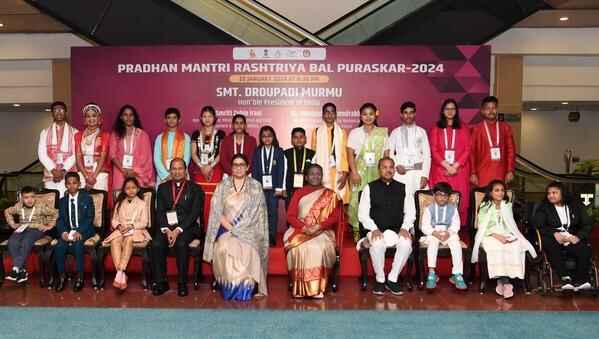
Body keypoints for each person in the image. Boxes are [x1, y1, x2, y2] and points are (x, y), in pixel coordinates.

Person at [204, 154, 269, 301]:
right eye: (235, 165)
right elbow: (216, 211)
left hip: (249, 229)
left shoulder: (255, 186)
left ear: (247, 167)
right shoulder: (223, 186)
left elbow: (258, 213)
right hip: (226, 228)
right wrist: (231, 228)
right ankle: (229, 287)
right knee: (224, 247)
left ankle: (246, 287)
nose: (238, 168)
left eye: (241, 165)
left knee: (248, 248)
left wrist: (240, 229)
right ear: (231, 168)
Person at [357, 157, 415, 295]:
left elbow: (411, 212)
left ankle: (393, 279)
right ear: (379, 169)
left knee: (406, 244)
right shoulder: (369, 187)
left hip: (397, 230)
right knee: (377, 243)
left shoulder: (404, 188)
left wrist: (405, 228)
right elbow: (363, 214)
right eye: (384, 167)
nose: (388, 170)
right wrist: (374, 229)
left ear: (394, 169)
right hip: (376, 229)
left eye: (390, 167)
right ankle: (380, 279)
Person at [471, 180, 536, 299]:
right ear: (490, 193)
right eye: (497, 190)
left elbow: (510, 224)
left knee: (516, 245)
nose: (500, 193)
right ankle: (505, 282)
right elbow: (482, 226)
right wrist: (497, 236)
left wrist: (508, 236)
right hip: (488, 235)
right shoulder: (485, 206)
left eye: (502, 190)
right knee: (496, 246)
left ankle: (504, 281)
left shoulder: (507, 205)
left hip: (506, 234)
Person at [151, 158, 204, 297]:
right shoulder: (162, 188)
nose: (177, 171)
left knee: (181, 243)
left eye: (180, 168)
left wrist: (178, 229)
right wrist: (167, 229)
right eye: (174, 169)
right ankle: (161, 282)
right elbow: (160, 211)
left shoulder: (195, 188)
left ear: (185, 170)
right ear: (170, 171)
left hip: (187, 227)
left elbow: (194, 214)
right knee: (156, 243)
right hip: (167, 227)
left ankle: (182, 283)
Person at [285, 164, 339, 298]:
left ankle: (317, 289)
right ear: (307, 177)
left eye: (318, 174)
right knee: (299, 247)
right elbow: (290, 216)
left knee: (318, 247)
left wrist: (319, 226)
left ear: (322, 176)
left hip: (322, 230)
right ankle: (299, 288)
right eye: (312, 174)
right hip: (299, 228)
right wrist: (304, 227)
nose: (315, 176)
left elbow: (336, 216)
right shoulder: (298, 193)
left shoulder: (330, 194)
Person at [533, 181, 593, 291]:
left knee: (584, 249)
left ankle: (581, 280)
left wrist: (578, 237)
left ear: (563, 193)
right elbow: (539, 225)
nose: (551, 195)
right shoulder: (544, 207)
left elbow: (587, 225)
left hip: (571, 237)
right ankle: (565, 278)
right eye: (549, 193)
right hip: (553, 238)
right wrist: (554, 233)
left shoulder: (574, 206)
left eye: (554, 193)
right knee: (549, 244)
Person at [347, 103, 389, 241]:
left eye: (371, 114)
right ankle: (356, 229)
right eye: (365, 114)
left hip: (377, 172)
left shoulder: (382, 133)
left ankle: (375, 229)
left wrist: (385, 172)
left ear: (375, 114)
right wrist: (353, 172)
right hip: (359, 172)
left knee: (376, 201)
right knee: (356, 200)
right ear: (360, 116)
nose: (368, 117)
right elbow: (350, 154)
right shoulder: (355, 133)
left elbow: (386, 154)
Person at [102, 177, 150, 290]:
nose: (131, 190)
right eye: (128, 188)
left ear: (138, 189)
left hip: (136, 231)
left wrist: (132, 226)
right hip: (121, 231)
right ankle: (122, 274)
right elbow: (114, 220)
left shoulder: (142, 203)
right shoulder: (119, 203)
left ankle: (120, 271)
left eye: (133, 188)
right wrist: (119, 226)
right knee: (114, 240)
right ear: (124, 190)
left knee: (129, 240)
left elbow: (144, 222)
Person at [429, 99, 471, 222]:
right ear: (442, 111)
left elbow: (467, 149)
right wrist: (447, 166)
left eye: (453, 108)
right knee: (441, 198)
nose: (450, 111)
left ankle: (458, 229)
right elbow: (434, 149)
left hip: (459, 171)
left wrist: (455, 166)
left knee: (459, 200)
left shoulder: (464, 127)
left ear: (456, 111)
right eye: (447, 108)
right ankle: (439, 226)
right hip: (440, 171)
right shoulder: (436, 128)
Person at [4, 186, 57, 284]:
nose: (29, 200)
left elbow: (55, 212)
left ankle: (15, 268)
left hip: (36, 229)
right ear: (22, 198)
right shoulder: (18, 206)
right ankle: (22, 271)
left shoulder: (41, 206)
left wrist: (49, 225)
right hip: (22, 228)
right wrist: (12, 224)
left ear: (35, 197)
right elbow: (7, 211)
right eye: (26, 197)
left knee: (26, 241)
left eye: (32, 197)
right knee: (12, 241)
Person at [54, 172, 97, 292]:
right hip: (68, 231)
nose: (72, 186)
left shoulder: (87, 199)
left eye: (74, 183)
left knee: (78, 245)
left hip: (85, 229)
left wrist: (79, 231)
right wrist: (63, 232)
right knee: (59, 246)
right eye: (69, 183)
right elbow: (60, 219)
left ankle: (80, 277)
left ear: (79, 184)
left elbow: (90, 218)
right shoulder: (62, 201)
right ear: (65, 185)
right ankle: (62, 277)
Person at [420, 182, 467, 290]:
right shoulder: (429, 209)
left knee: (455, 243)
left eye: (445, 195)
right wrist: (435, 233)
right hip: (433, 233)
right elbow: (425, 226)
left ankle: (457, 274)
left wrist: (449, 233)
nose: (442, 198)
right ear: (434, 195)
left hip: (448, 233)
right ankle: (432, 273)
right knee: (432, 242)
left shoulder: (453, 208)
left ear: (449, 197)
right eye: (439, 194)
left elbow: (456, 225)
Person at [387, 101, 430, 207]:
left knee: (420, 204)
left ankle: (418, 224)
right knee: (401, 203)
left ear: (415, 114)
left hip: (418, 173)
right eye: (405, 112)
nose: (408, 115)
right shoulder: (395, 132)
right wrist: (396, 166)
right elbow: (389, 152)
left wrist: (425, 175)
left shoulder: (421, 132)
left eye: (411, 112)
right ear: (401, 115)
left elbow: (427, 155)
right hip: (401, 174)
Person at [190, 105, 226, 228]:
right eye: (204, 116)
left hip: (215, 169)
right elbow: (193, 153)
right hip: (199, 170)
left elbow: (221, 153)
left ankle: (214, 229)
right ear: (201, 118)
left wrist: (210, 166)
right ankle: (202, 231)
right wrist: (201, 166)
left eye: (210, 116)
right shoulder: (196, 134)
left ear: (214, 118)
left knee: (214, 200)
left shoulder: (220, 134)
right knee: (200, 200)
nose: (207, 119)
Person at [251, 126, 287, 246]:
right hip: (260, 187)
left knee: (272, 212)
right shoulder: (257, 151)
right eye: (264, 136)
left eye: (269, 136)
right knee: (260, 212)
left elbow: (282, 170)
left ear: (274, 137)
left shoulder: (278, 151)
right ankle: (261, 237)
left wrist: (279, 188)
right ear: (261, 138)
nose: (267, 138)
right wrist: (255, 187)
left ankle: (271, 237)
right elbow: (254, 169)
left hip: (274, 189)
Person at [470, 96, 516, 188]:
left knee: (501, 201)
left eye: (493, 108)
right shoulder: (476, 129)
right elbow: (471, 153)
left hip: (501, 175)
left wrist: (510, 170)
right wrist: (472, 173)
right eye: (488, 108)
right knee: (483, 202)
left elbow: (511, 151)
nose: (491, 111)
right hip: (482, 176)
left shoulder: (505, 127)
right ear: (482, 111)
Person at [109, 104, 155, 194]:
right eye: (125, 115)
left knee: (136, 204)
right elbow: (112, 155)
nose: (128, 117)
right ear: (121, 117)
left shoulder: (142, 135)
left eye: (131, 115)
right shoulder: (115, 134)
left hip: (137, 174)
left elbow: (146, 157)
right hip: (120, 173)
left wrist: (133, 171)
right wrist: (124, 170)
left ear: (135, 117)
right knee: (121, 204)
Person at [311, 103, 349, 205]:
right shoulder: (316, 132)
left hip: (338, 173)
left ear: (336, 115)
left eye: (332, 112)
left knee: (338, 205)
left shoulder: (342, 132)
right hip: (322, 173)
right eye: (327, 112)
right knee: (323, 204)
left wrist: (345, 174)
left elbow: (345, 155)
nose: (329, 115)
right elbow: (313, 155)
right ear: (323, 115)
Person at [38, 101, 78, 197]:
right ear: (52, 113)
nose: (58, 112)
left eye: (61, 109)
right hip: (51, 176)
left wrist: (63, 171)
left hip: (69, 176)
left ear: (66, 112)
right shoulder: (45, 132)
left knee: (68, 204)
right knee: (52, 206)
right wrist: (53, 170)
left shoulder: (75, 132)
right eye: (55, 110)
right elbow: (41, 153)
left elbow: (75, 154)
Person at [74, 103, 111, 191]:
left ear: (99, 118)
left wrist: (93, 176)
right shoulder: (78, 135)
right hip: (83, 175)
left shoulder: (105, 135)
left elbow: (103, 156)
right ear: (85, 119)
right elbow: (78, 157)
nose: (91, 119)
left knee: (99, 202)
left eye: (94, 116)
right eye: (88, 116)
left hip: (100, 175)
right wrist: (86, 176)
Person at [153, 107, 191, 185]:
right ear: (165, 120)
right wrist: (166, 175)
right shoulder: (159, 138)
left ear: (179, 120)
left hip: (181, 175)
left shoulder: (186, 137)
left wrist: (177, 172)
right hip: (164, 177)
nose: (171, 120)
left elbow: (186, 158)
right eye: (169, 117)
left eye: (174, 117)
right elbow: (156, 159)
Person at [284, 127, 315, 209]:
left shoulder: (312, 154)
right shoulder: (285, 154)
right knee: (291, 215)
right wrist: (283, 188)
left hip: (307, 190)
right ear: (291, 140)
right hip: (290, 190)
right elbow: (282, 173)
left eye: (301, 137)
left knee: (305, 215)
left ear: (305, 139)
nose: (298, 140)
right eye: (295, 137)